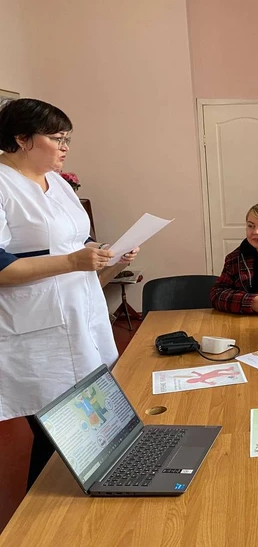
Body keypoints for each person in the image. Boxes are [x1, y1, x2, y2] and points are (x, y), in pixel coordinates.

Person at [0, 98, 138, 489]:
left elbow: (76, 243)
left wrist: (108, 255)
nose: (65, 148)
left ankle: (87, 499)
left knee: (90, 428)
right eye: (57, 138)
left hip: (81, 315)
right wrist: (74, 261)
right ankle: (41, 517)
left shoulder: (57, 182)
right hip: (36, 331)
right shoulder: (3, 184)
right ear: (22, 138)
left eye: (67, 139)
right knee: (59, 433)